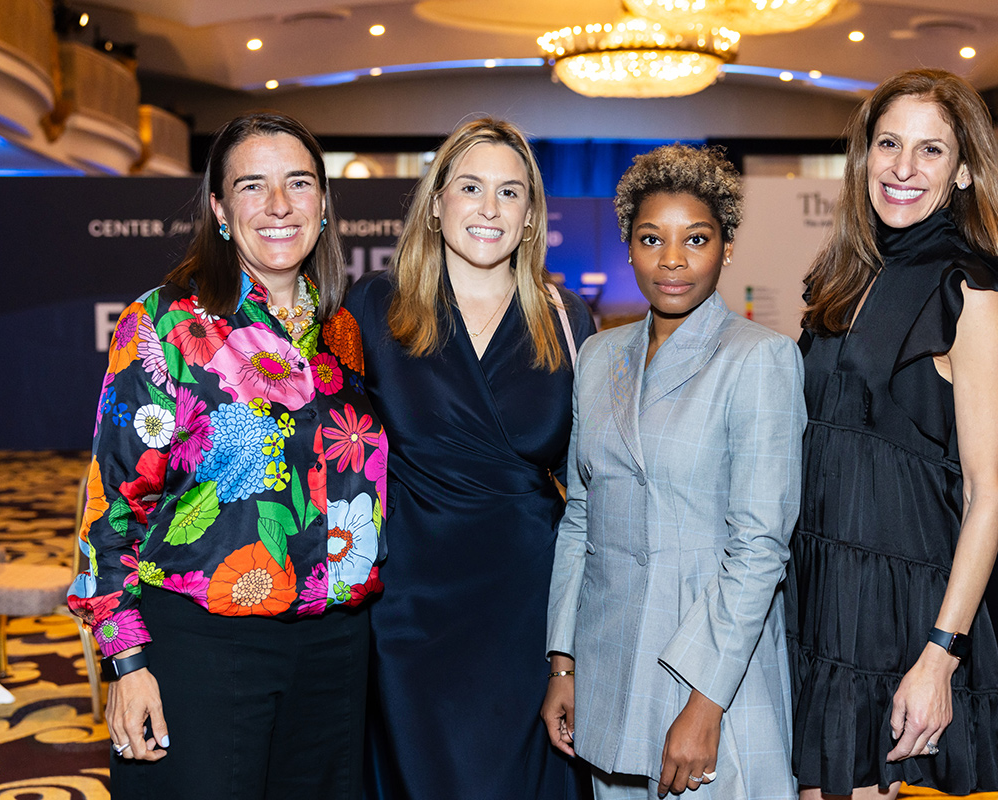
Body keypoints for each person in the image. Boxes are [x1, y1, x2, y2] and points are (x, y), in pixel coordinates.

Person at [67, 111, 387, 799]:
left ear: (323, 203)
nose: (278, 205)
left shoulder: (344, 332)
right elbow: (111, 507)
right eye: (252, 185)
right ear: (218, 208)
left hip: (335, 652)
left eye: (298, 182)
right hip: (203, 646)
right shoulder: (165, 323)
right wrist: (126, 662)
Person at [786, 68, 998, 799]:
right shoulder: (845, 273)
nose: (903, 167)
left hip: (893, 604)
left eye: (930, 150)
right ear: (864, 156)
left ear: (963, 170)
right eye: (889, 144)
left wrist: (940, 655)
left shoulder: (971, 290)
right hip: (814, 581)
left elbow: (992, 494)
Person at [542, 144, 807, 799]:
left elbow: (760, 547)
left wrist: (705, 701)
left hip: (710, 666)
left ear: (726, 248)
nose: (672, 259)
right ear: (629, 248)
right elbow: (581, 516)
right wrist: (564, 661)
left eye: (696, 239)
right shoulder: (599, 356)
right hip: (608, 665)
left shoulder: (760, 358)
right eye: (652, 238)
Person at [346, 117, 595, 800]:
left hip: (527, 608)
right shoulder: (372, 307)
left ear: (531, 215)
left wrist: (571, 652)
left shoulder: (568, 319)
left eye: (510, 192)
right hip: (407, 607)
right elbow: (329, 454)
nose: (490, 208)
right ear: (435, 203)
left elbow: (591, 488)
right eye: (471, 187)